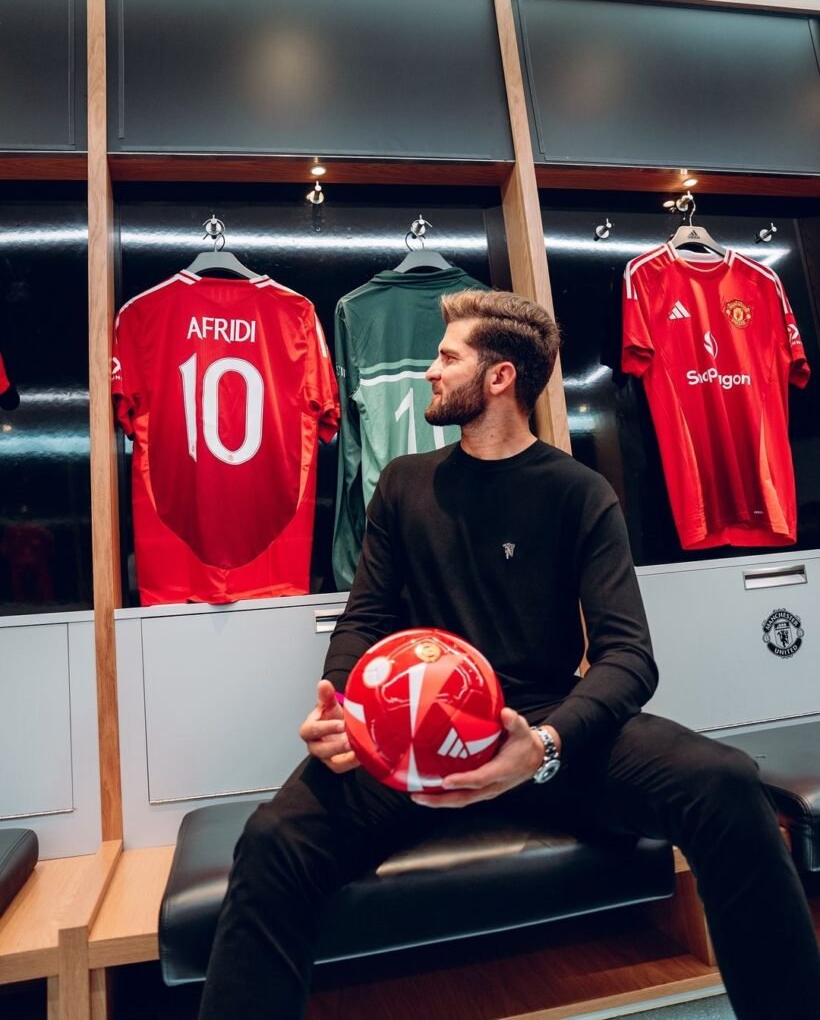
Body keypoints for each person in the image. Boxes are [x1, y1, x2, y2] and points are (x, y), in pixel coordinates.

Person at [199, 290, 820, 1020]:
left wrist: (548, 743)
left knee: (724, 784)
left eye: (447, 356)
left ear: (499, 377)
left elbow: (629, 657)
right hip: (412, 734)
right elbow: (364, 617)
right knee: (273, 840)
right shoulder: (404, 486)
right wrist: (340, 706)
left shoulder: (580, 493)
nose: (430, 371)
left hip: (541, 728)